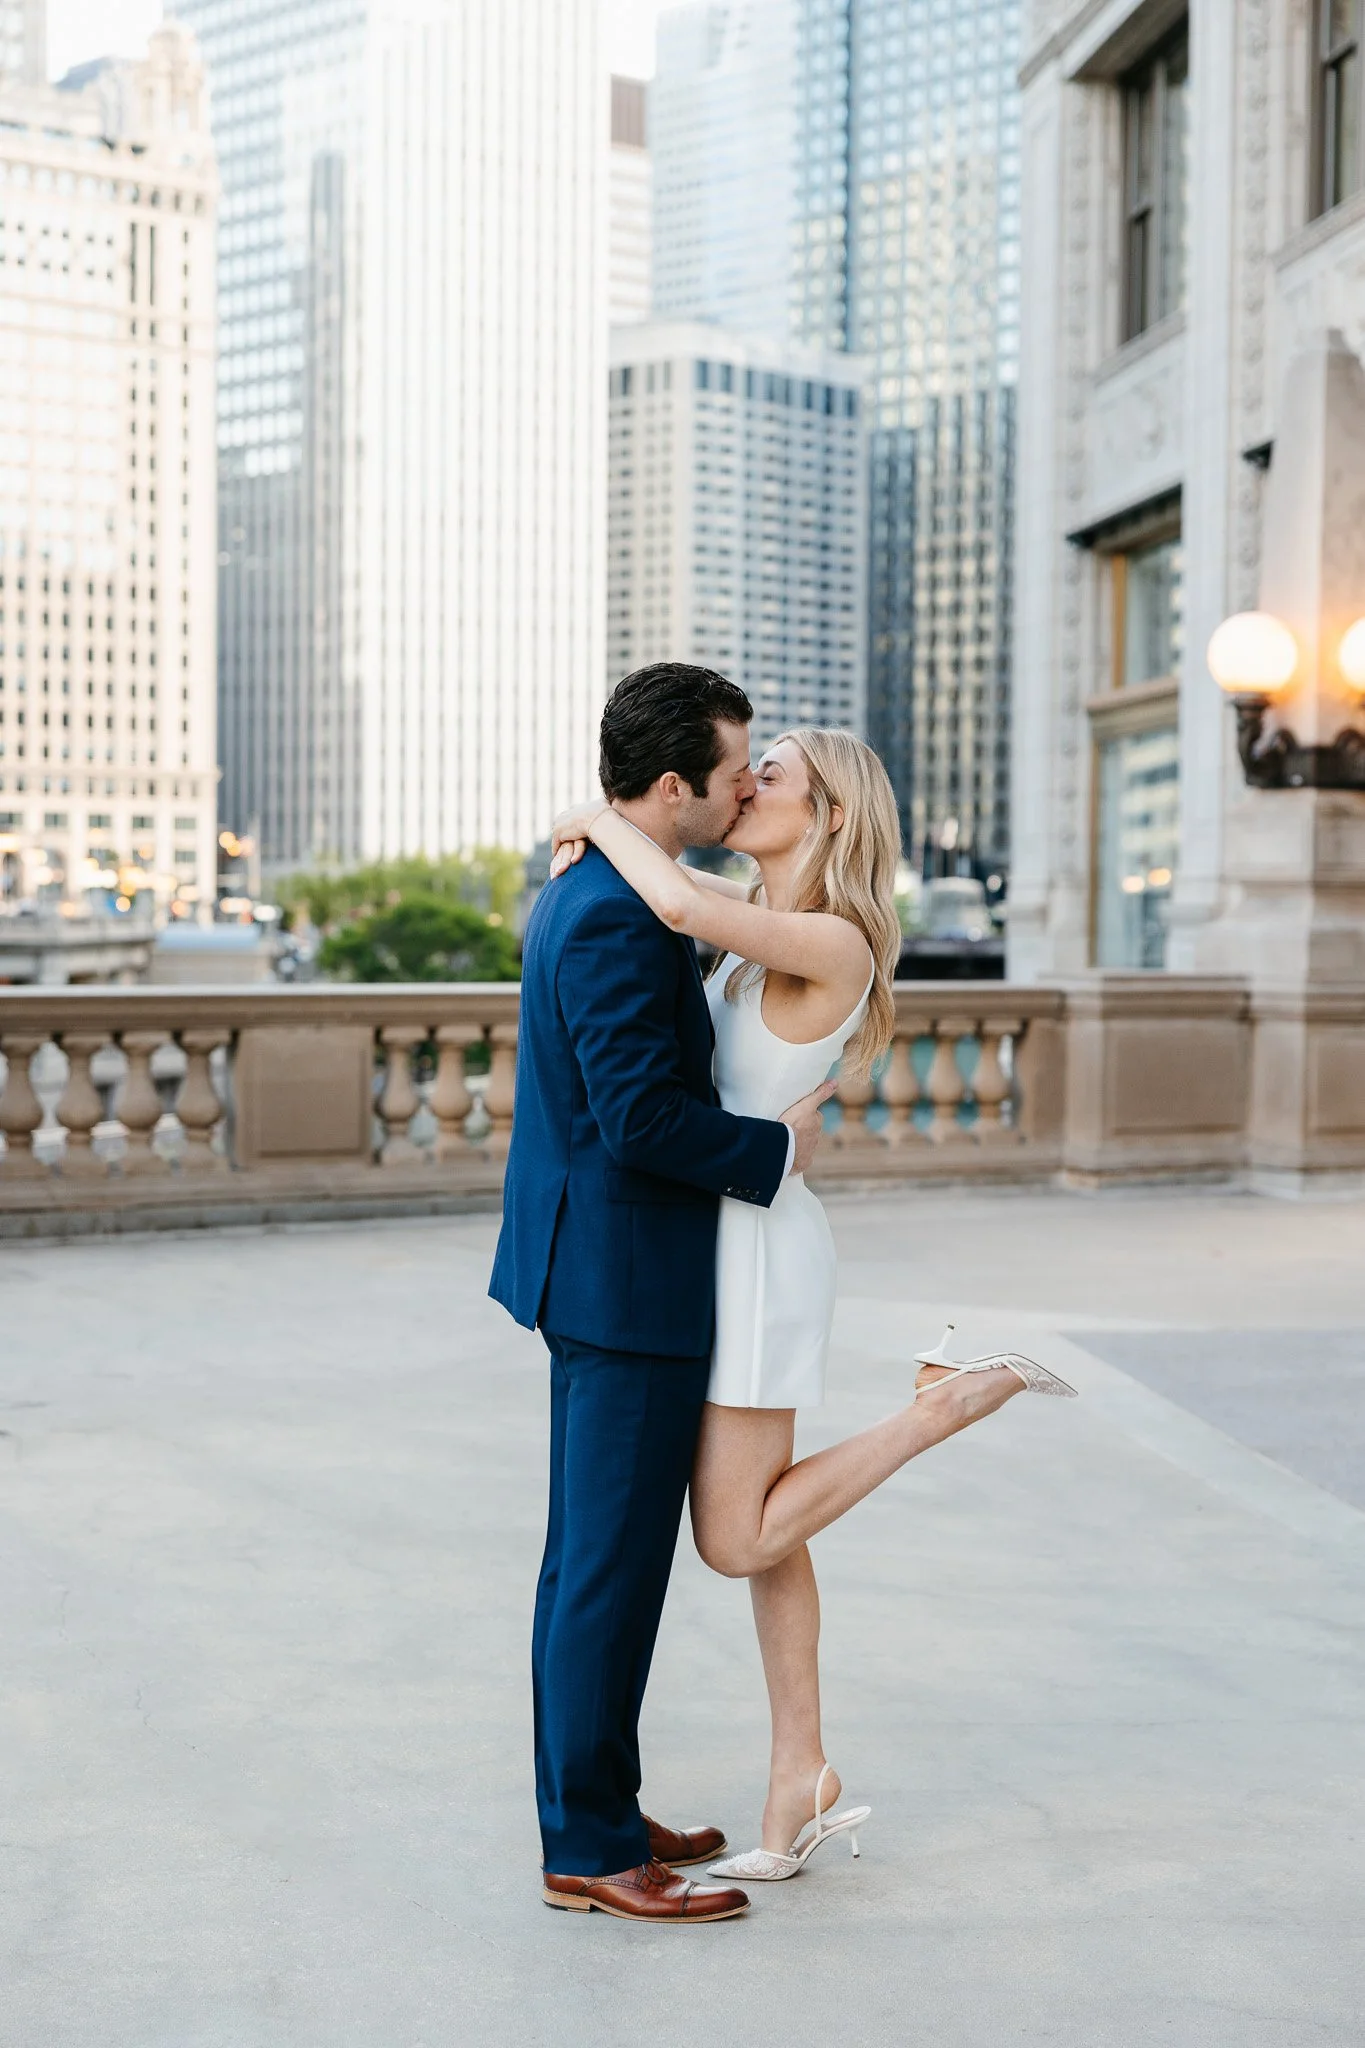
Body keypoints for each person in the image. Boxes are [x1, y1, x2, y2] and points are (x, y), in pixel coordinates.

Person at [549, 720, 1077, 1884]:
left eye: (771, 773)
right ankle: (802, 1770)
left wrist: (597, 821)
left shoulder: (828, 938)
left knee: (737, 1531)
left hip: (757, 1256)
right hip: (731, 1227)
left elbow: (677, 905)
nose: (746, 783)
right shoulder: (754, 944)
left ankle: (939, 1406)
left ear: (830, 814)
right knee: (774, 1520)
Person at [489, 663, 838, 1925]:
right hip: (623, 1275)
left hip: (603, 1263)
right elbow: (640, 1118)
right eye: (736, 765)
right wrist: (775, 1151)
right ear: (677, 782)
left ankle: (597, 1799)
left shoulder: (617, 889)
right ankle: (587, 1845)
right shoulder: (611, 915)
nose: (749, 781)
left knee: (596, 1563)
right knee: (603, 1570)